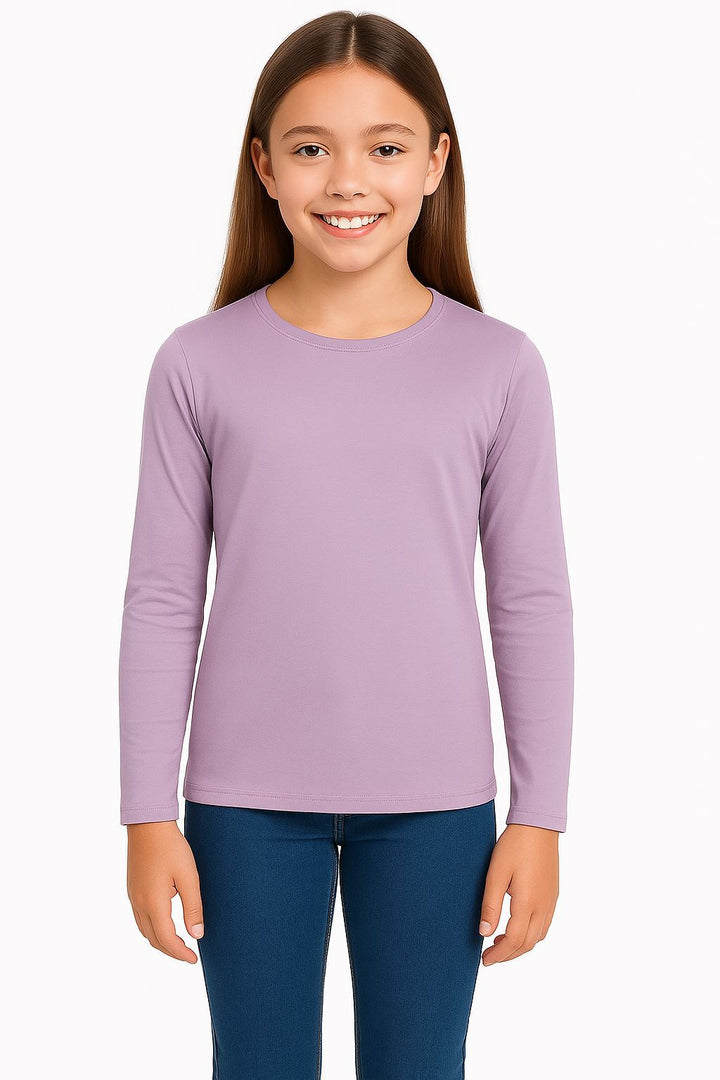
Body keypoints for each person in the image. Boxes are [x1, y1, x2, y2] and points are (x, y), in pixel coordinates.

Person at [119, 10, 574, 1078]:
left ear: (436, 164)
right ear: (264, 167)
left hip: (438, 809)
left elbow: (531, 599)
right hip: (240, 809)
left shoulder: (500, 367)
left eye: (386, 146)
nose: (347, 180)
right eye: (312, 147)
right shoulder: (197, 364)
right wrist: (145, 815)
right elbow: (162, 598)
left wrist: (540, 817)